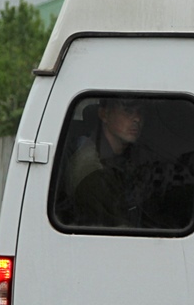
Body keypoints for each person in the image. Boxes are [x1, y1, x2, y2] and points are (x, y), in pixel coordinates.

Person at [63, 98, 166, 228]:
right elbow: (118, 230)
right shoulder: (93, 173)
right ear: (104, 115)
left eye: (140, 112)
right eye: (128, 111)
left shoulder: (128, 155)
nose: (137, 119)